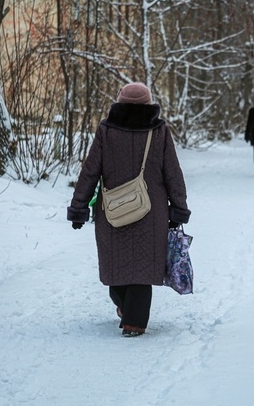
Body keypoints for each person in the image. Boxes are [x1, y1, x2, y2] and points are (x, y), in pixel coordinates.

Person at [67, 82, 191, 337]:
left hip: (113, 210)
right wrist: (178, 208)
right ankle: (133, 316)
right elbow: (173, 172)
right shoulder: (159, 131)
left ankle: (129, 313)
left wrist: (79, 206)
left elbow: (90, 171)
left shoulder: (106, 131)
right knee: (143, 267)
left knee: (116, 263)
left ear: (120, 102)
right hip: (152, 210)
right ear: (148, 104)